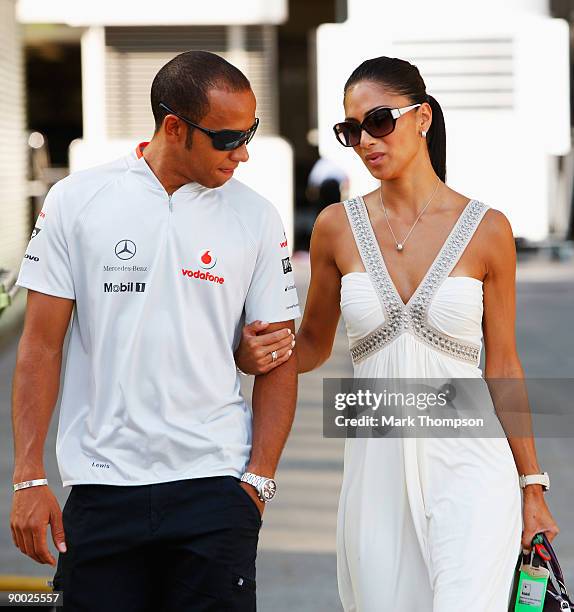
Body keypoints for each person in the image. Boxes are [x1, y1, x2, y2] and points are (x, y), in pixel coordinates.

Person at [234, 56, 559, 611]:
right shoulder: (337, 226)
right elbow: (311, 343)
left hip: (473, 467)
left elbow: (503, 364)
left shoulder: (488, 229)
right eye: (351, 129)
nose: (365, 140)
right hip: (376, 470)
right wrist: (254, 351)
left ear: (422, 118)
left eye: (379, 120)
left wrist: (533, 486)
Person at [10, 50, 300, 611]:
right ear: (174, 127)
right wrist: (28, 476)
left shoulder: (257, 216)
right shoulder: (77, 200)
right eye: (227, 137)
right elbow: (41, 345)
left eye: (251, 134)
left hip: (215, 490)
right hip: (101, 488)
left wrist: (257, 484)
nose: (242, 153)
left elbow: (277, 357)